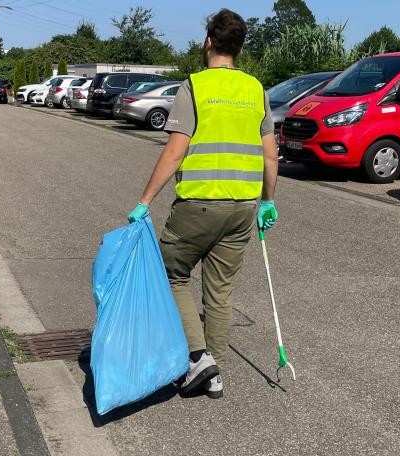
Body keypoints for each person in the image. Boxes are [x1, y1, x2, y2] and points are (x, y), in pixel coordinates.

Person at [127, 8, 279, 400]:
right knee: (220, 291)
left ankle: (198, 357)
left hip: (200, 204)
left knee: (170, 275)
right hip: (244, 207)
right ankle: (216, 375)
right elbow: (270, 156)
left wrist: (144, 201)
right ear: (240, 48)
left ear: (208, 41)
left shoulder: (194, 87)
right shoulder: (256, 90)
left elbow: (176, 151)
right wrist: (267, 202)